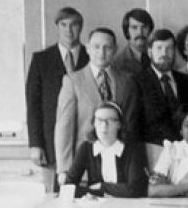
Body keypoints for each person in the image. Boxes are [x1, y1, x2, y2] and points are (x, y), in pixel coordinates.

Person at [55, 27, 140, 179]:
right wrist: (64, 170)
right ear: (87, 48)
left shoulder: (127, 81)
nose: (101, 52)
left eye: (107, 47)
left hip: (119, 166)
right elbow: (64, 128)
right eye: (96, 47)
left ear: (115, 50)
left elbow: (129, 125)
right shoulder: (72, 81)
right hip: (84, 167)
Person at [25, 7, 89, 191]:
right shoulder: (41, 60)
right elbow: (33, 106)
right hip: (50, 143)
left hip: (85, 141)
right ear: (57, 27)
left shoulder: (92, 56)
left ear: (81, 27)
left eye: (74, 25)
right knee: (54, 195)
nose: (69, 30)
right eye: (64, 25)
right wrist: (36, 144)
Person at [62, 102, 147, 198]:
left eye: (110, 120)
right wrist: (94, 191)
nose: (104, 125)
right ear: (94, 123)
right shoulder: (86, 148)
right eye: (99, 120)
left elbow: (135, 189)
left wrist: (102, 187)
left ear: (119, 124)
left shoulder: (132, 149)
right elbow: (68, 186)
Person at [134, 29, 188, 146]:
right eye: (159, 48)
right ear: (150, 51)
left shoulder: (186, 81)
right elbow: (134, 124)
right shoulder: (137, 82)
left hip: (185, 149)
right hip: (153, 150)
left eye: (169, 48)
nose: (164, 53)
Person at [112, 8, 154, 74]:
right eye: (134, 27)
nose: (140, 32)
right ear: (127, 31)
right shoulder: (118, 64)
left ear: (150, 30)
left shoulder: (156, 55)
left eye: (144, 27)